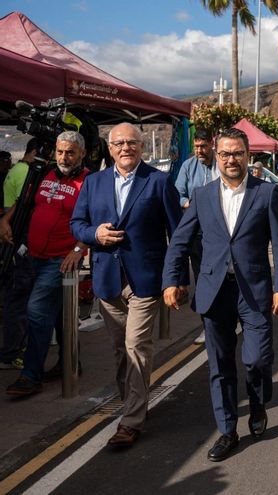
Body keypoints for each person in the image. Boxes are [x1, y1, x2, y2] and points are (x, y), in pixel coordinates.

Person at [163, 127, 278, 462]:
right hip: (214, 292)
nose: (231, 159)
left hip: (254, 291)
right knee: (220, 365)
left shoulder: (266, 193)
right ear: (216, 156)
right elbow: (180, 242)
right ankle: (227, 431)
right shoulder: (203, 195)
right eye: (225, 154)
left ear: (248, 156)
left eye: (237, 153)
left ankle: (258, 403)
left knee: (257, 359)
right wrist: (172, 281)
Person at [70, 123, 184, 448]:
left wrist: (177, 279)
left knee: (136, 345)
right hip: (107, 280)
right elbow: (77, 223)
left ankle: (131, 420)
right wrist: (95, 235)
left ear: (141, 146)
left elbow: (178, 235)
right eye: (119, 143)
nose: (125, 148)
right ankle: (134, 401)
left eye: (131, 142)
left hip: (145, 281)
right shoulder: (93, 183)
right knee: (121, 348)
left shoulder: (159, 182)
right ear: (110, 149)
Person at [4, 132, 89, 395]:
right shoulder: (46, 174)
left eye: (70, 152)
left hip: (61, 260)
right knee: (60, 314)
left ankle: (31, 375)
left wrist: (78, 250)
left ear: (82, 154)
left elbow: (95, 219)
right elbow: (26, 201)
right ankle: (69, 363)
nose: (64, 157)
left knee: (37, 311)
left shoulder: (89, 182)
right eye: (60, 152)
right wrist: (5, 219)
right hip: (34, 256)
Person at [174, 128, 218, 345]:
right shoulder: (188, 166)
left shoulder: (222, 164)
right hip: (198, 234)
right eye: (197, 146)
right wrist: (188, 204)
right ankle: (207, 327)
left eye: (203, 146)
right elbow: (177, 194)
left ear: (212, 144)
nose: (200, 151)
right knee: (202, 280)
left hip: (221, 233)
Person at [0, 138, 39, 370]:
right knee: (18, 298)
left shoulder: (15, 170)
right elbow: (25, 203)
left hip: (13, 240)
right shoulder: (26, 172)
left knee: (14, 297)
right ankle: (13, 351)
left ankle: (12, 349)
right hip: (19, 242)